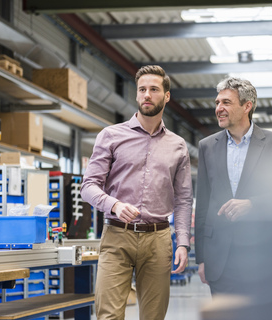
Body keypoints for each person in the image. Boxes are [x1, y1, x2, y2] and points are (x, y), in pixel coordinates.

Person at [81, 65, 193, 320]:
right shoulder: (111, 136)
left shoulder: (177, 145)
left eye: (154, 89)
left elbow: (184, 199)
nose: (146, 95)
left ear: (166, 96)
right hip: (116, 236)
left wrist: (183, 243)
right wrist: (115, 205)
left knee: (153, 316)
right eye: (142, 89)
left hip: (158, 239)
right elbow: (88, 187)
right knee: (108, 315)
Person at [194, 77, 272, 296]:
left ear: (247, 106)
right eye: (217, 103)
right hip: (220, 261)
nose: (219, 108)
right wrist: (202, 259)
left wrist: (253, 204)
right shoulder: (207, 147)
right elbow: (203, 206)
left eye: (226, 102)